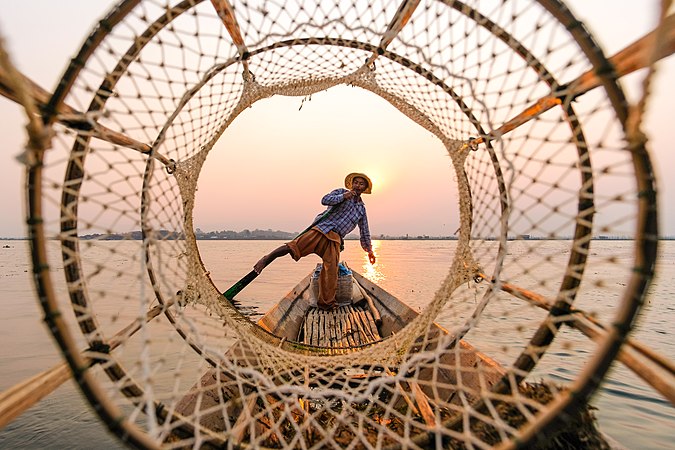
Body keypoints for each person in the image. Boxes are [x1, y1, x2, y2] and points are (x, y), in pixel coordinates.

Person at [253, 173, 377, 311]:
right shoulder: (341, 192)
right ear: (352, 184)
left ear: (364, 188)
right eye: (356, 183)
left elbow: (364, 231)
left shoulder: (361, 209)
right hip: (322, 229)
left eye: (361, 184)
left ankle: (326, 304)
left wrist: (370, 251)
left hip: (335, 239)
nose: (358, 186)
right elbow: (324, 200)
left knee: (331, 272)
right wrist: (343, 197)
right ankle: (266, 259)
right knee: (294, 247)